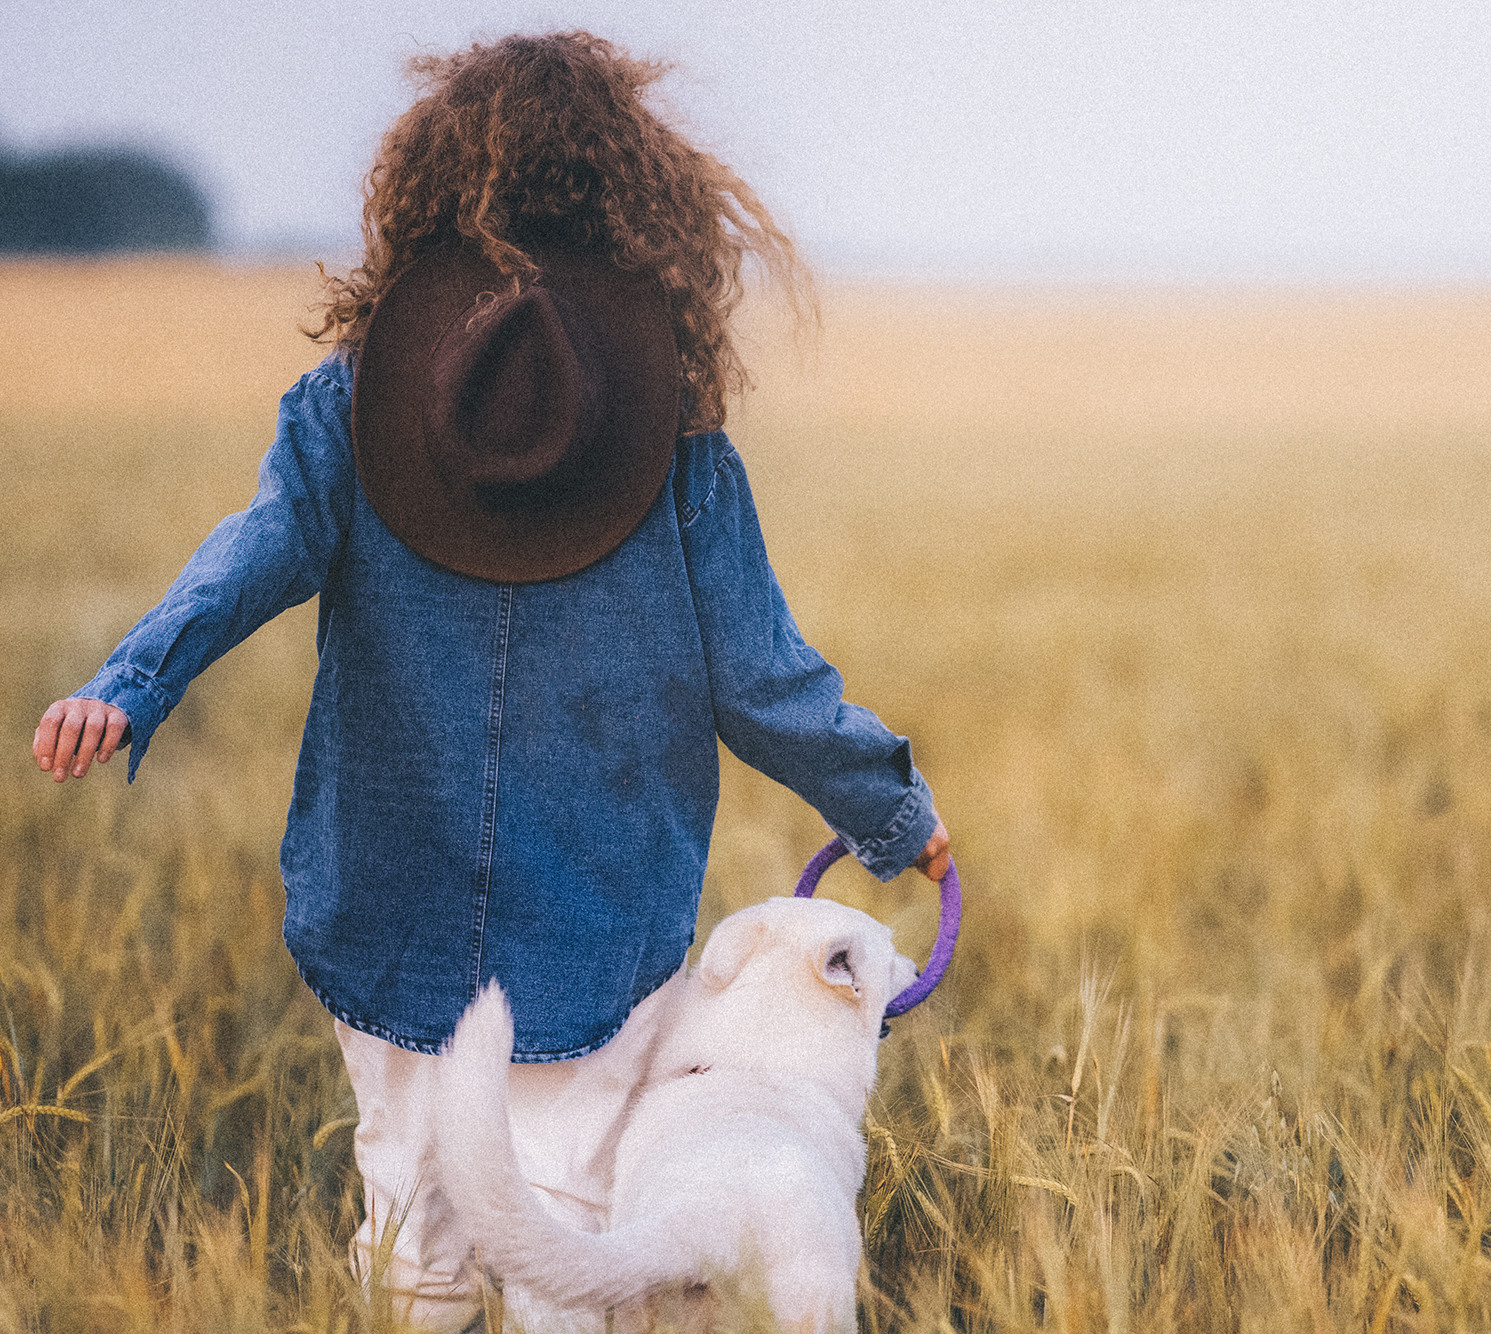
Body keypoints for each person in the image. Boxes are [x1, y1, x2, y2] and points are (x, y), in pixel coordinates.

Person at [30, 31, 948, 1328]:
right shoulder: (676, 454)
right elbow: (761, 679)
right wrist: (893, 811)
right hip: (596, 930)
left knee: (410, 1229)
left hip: (387, 905)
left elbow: (250, 561)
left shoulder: (348, 407)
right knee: (570, 1230)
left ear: (431, 209)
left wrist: (128, 683)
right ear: (636, 225)